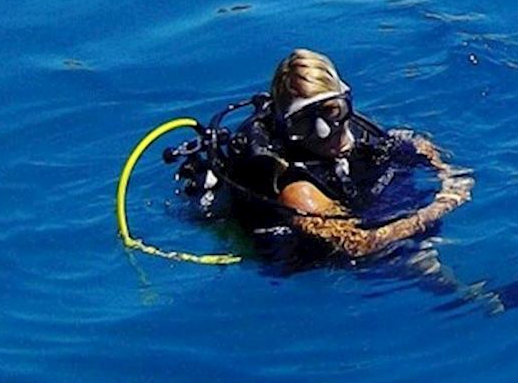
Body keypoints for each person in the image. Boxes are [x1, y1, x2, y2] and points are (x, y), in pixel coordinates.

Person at [172, 49, 472, 258]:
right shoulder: (297, 189)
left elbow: (413, 143)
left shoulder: (355, 128)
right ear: (283, 124)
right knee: (418, 262)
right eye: (303, 122)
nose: (325, 132)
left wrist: (444, 170)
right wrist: (440, 206)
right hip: (333, 259)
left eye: (331, 111)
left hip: (364, 203)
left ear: (345, 99)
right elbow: (358, 245)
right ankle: (483, 301)